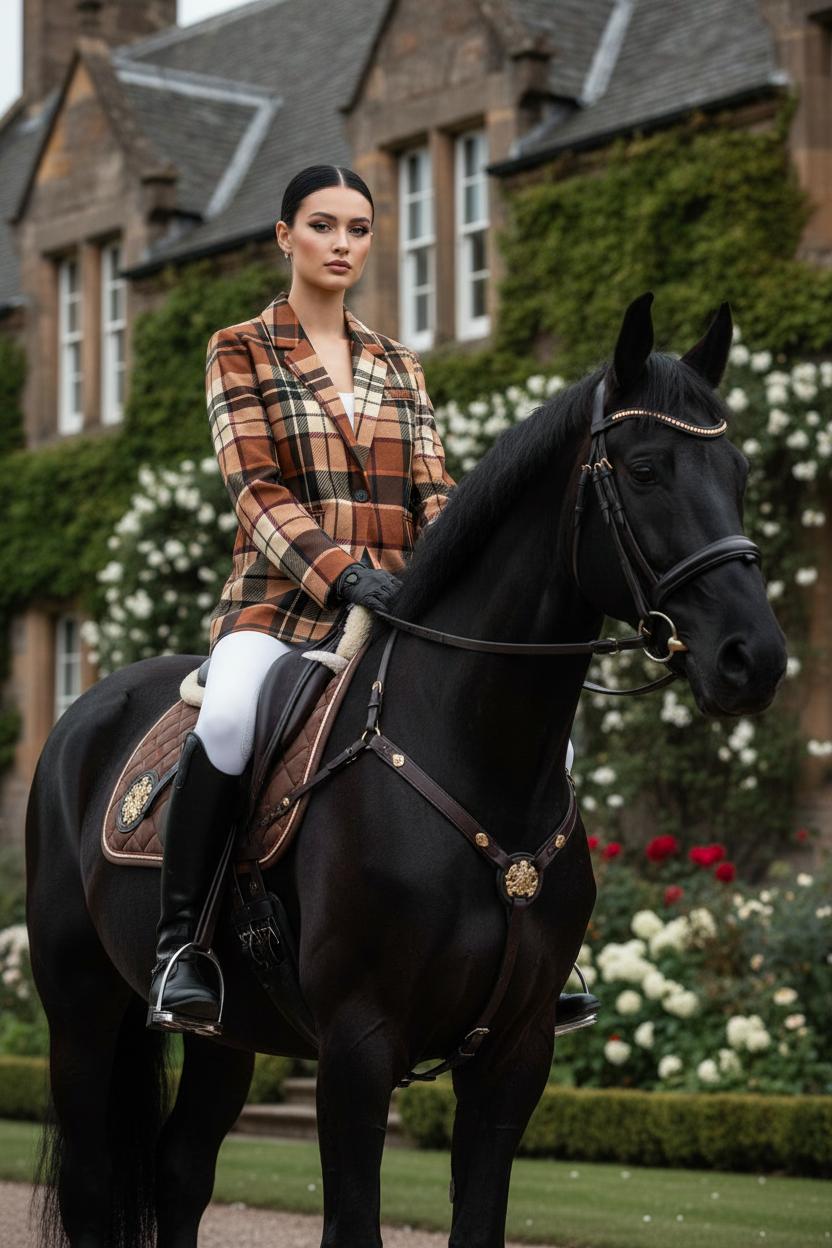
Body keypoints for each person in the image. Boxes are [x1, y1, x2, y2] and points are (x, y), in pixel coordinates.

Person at [146, 163, 593, 1038]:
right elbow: (255, 489)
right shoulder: (240, 347)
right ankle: (181, 947)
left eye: (358, 228)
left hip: (401, 606)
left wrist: (452, 569)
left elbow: (436, 492)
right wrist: (341, 571)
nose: (341, 243)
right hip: (282, 604)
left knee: (540, 723)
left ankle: (548, 945)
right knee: (230, 714)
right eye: (322, 225)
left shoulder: (399, 364)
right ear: (285, 236)